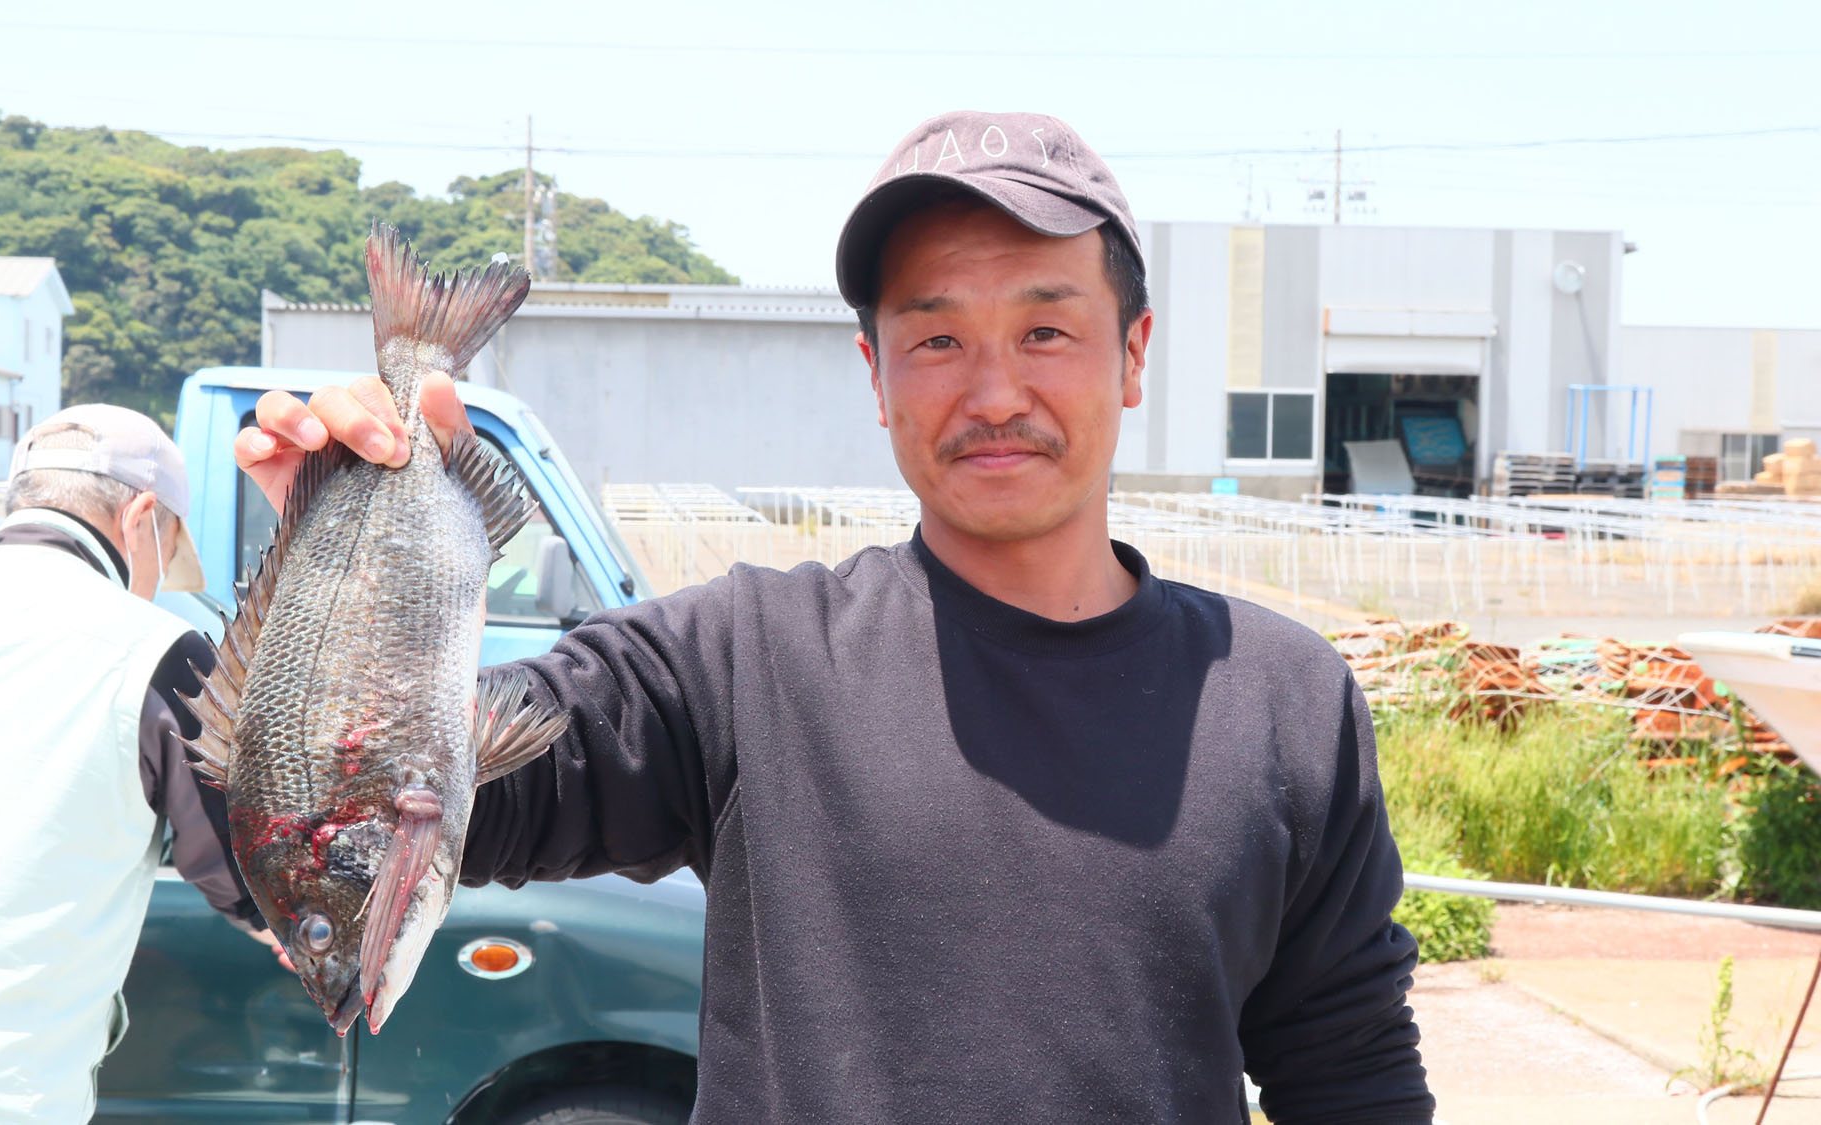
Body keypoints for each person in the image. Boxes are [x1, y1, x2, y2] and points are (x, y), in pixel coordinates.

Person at [239, 111, 1435, 1123]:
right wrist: (332, 596)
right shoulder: (740, 663)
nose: (994, 390)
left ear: (1131, 354)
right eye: (935, 337)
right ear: (873, 374)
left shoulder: (1281, 698)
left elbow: (1350, 1073)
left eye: (1044, 330)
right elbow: (427, 806)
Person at [0, 405, 272, 1125]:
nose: (158, 584)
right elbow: (248, 870)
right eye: (169, 556)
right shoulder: (155, 651)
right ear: (142, 517)